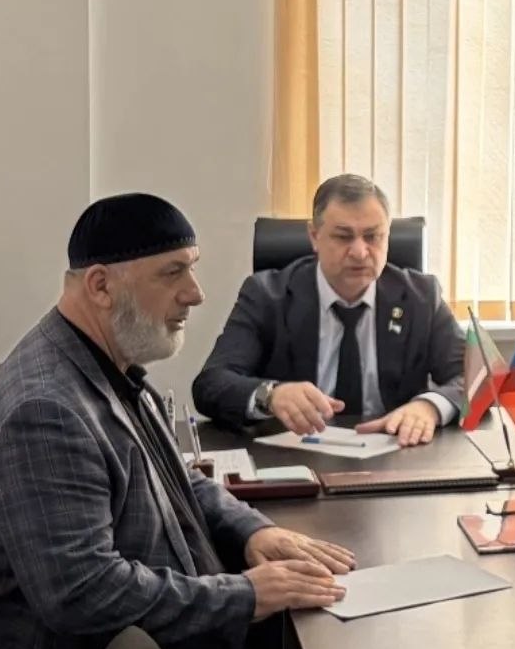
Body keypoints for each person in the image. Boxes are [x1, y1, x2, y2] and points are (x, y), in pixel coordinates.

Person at [0, 193, 353, 649]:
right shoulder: (44, 410)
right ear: (101, 285)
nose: (195, 293)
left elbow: (180, 478)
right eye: (173, 272)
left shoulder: (105, 366)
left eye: (191, 268)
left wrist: (254, 531)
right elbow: (84, 592)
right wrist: (245, 594)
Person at [191, 173, 465, 447]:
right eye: (343, 237)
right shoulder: (267, 296)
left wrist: (430, 406)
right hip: (295, 454)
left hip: (395, 452)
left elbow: (474, 378)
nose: (360, 252)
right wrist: (271, 395)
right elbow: (211, 383)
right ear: (314, 236)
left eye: (373, 236)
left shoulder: (421, 297)